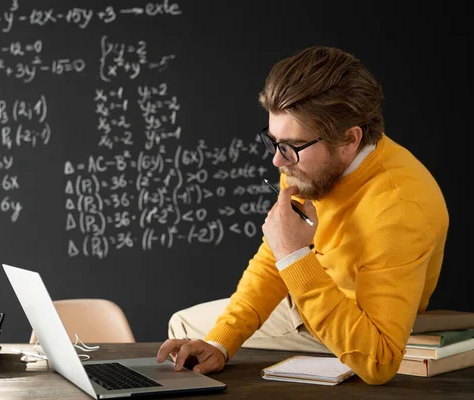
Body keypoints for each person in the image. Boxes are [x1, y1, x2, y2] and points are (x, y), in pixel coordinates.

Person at [156, 46, 449, 385]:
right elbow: (276, 256)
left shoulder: (399, 209)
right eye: (274, 142)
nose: (277, 162)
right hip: (312, 294)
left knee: (182, 324)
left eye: (290, 146)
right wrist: (221, 341)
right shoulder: (308, 163)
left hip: (359, 327)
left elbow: (380, 360)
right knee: (200, 335)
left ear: (350, 140)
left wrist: (294, 256)